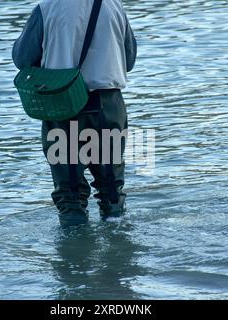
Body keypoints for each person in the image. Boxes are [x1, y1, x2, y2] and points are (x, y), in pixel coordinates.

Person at [12, 0, 137, 227]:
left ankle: (73, 256)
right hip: (109, 107)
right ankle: (119, 251)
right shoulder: (114, 4)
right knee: (112, 191)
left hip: (63, 106)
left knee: (69, 196)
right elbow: (129, 60)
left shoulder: (46, 8)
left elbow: (22, 60)